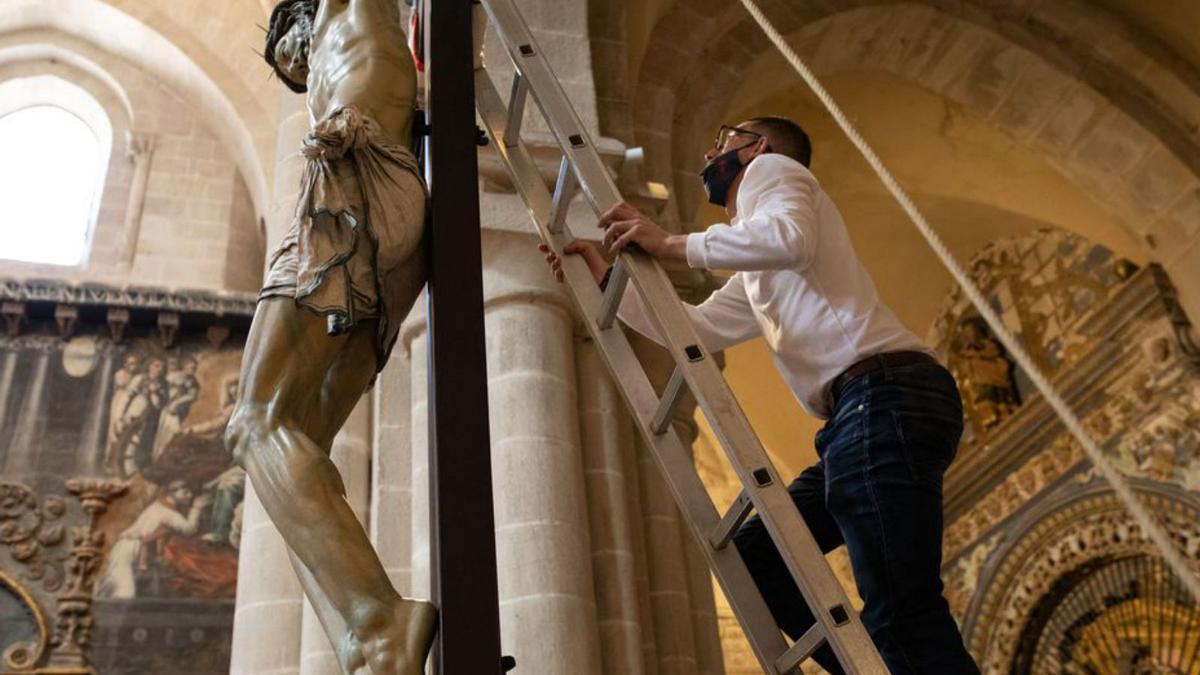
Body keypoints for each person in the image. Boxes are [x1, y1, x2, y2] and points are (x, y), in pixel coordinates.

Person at [543, 117, 981, 673]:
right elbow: (694, 330)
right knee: (758, 557)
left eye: (724, 139)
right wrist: (604, 279)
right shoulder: (762, 266)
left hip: (883, 396)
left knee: (902, 612)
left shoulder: (772, 172)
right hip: (867, 410)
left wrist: (670, 243)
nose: (712, 149)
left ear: (759, 147)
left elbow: (788, 238)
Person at [224, 1, 434, 674]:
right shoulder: (335, 59)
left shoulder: (348, 10)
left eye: (288, 46)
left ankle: (378, 619)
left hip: (353, 179)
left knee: (254, 419)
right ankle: (360, 640)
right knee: (293, 448)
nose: (291, 64)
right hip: (387, 210)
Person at [96, 480, 211, 599]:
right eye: (185, 492)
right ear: (172, 493)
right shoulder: (167, 513)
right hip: (128, 549)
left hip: (126, 547)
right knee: (126, 594)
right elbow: (189, 529)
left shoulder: (157, 505)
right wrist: (197, 507)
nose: (190, 495)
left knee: (115, 587)